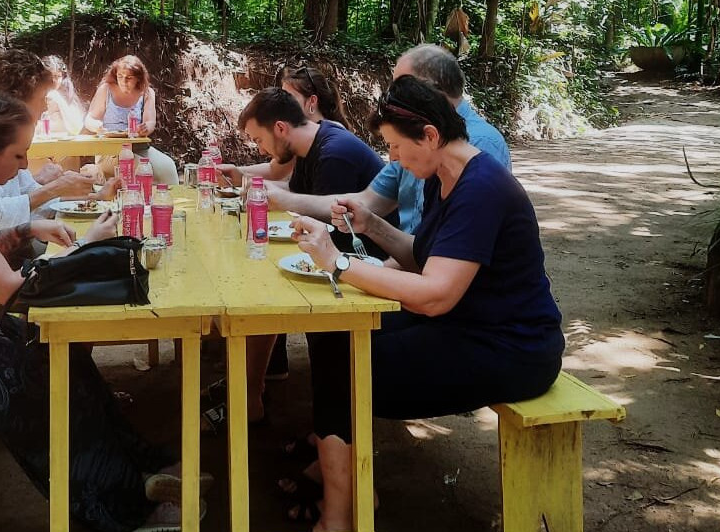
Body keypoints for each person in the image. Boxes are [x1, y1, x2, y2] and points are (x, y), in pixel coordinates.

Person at [0, 92, 193, 532]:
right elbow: (14, 291)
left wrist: (28, 228)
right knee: (46, 398)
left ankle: (140, 465)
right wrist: (88, 251)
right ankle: (120, 512)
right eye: (18, 154)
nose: (25, 165)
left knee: (69, 360)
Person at [290, 75, 564, 531]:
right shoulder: (445, 178)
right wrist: (372, 224)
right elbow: (425, 256)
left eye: (397, 146)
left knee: (345, 364)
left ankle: (341, 514)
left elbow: (436, 295)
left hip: (513, 348)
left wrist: (337, 262)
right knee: (334, 336)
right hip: (468, 325)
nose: (393, 158)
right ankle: (344, 486)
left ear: (431, 135)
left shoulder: (482, 188)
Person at [216, 88, 384, 429]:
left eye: (259, 140)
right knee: (259, 277)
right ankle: (249, 387)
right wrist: (249, 182)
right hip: (338, 253)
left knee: (265, 285)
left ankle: (320, 429)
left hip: (370, 264)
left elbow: (331, 227)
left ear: (280, 128)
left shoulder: (334, 153)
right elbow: (298, 195)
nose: (260, 149)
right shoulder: (311, 143)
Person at [269, 44, 510, 235]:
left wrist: (342, 264)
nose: (393, 156)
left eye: (400, 87)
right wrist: (284, 200)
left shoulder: (478, 145)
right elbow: (367, 202)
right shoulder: (412, 137)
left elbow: (451, 261)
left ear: (431, 91)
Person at [0, 49, 117, 235]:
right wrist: (54, 189)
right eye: (41, 98)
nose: (45, 107)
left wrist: (94, 197)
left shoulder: (4, 124)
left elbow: (27, 193)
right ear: (16, 98)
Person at [216, 65, 350, 188]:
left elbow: (317, 199)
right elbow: (275, 171)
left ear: (312, 101)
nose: (283, 103)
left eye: (289, 97)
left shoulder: (330, 143)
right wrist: (238, 174)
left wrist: (251, 183)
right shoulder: (300, 138)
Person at [85, 55, 179, 185]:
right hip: (109, 151)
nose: (123, 81)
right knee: (142, 168)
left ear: (138, 78)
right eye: (120, 76)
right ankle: (137, 197)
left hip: (138, 147)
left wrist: (145, 128)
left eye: (129, 78)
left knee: (168, 166)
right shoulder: (106, 89)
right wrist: (97, 126)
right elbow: (89, 120)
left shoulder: (147, 92)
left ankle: (173, 197)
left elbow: (150, 122)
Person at [43, 54, 85, 136]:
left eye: (58, 76)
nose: (54, 80)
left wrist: (58, 99)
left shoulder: (67, 96)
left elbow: (76, 128)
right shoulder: (34, 96)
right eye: (50, 76)